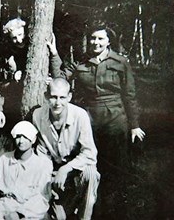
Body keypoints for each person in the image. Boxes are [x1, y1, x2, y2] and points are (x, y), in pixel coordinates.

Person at [48, 22, 146, 217]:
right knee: (91, 168)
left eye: (100, 38)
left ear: (109, 41)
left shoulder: (120, 62)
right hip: (90, 121)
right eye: (93, 38)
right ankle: (91, 209)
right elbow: (61, 79)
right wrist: (53, 53)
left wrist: (134, 126)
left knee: (115, 171)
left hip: (116, 121)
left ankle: (114, 211)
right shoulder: (81, 62)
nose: (96, 42)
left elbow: (130, 95)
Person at [31, 78, 99, 220]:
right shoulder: (38, 115)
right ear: (46, 96)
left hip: (75, 169)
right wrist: (49, 177)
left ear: (69, 97)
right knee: (57, 215)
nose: (57, 103)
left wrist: (66, 168)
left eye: (62, 97)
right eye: (53, 97)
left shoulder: (80, 116)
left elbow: (90, 153)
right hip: (52, 170)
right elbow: (42, 151)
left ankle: (84, 217)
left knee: (91, 172)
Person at [0, 121, 53, 220]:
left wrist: (20, 214)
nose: (21, 141)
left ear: (33, 139)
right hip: (6, 204)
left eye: (25, 137)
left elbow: (43, 198)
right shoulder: (5, 159)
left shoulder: (43, 164)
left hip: (31, 207)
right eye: (18, 136)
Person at [0, 18, 29, 134]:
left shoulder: (32, 44)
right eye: (14, 38)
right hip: (15, 88)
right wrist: (13, 74)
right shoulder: (9, 51)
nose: (19, 40)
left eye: (21, 34)